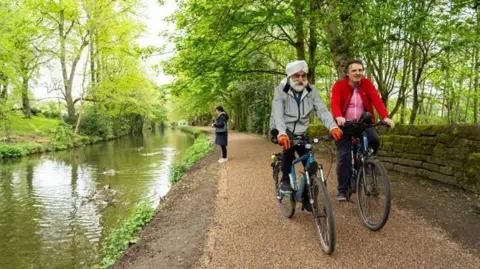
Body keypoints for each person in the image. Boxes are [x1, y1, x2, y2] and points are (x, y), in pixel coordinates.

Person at [271, 60, 343, 196]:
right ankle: (285, 179)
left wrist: (332, 127)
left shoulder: (311, 90)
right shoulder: (280, 90)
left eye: (303, 76)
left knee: (308, 157)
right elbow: (278, 114)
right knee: (289, 148)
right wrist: (281, 133)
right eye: (296, 76)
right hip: (283, 127)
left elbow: (322, 110)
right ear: (290, 76)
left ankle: (307, 194)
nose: (300, 79)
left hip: (302, 129)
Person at [330, 59, 395, 201]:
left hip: (363, 123)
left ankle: (366, 162)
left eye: (360, 70)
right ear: (347, 73)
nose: (357, 73)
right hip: (344, 126)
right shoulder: (339, 86)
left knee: (375, 140)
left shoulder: (367, 84)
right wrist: (338, 116)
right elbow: (334, 103)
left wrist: (385, 116)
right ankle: (342, 190)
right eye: (354, 70)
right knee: (343, 157)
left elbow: (377, 100)